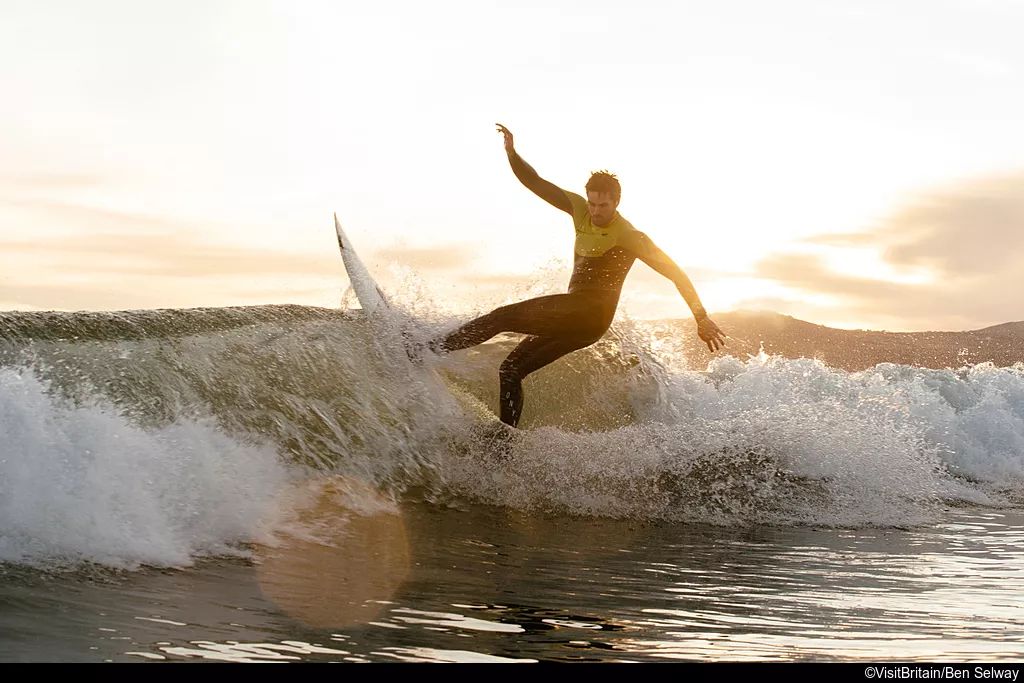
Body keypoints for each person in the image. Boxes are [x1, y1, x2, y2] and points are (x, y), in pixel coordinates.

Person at [426, 123, 726, 428]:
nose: (596, 211)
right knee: (511, 370)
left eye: (603, 205)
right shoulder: (579, 210)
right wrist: (512, 153)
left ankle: (427, 350)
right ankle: (505, 441)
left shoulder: (630, 236)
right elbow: (535, 182)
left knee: (501, 317)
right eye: (592, 203)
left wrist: (701, 317)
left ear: (617, 202)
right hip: (579, 321)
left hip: (590, 314)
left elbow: (676, 273)